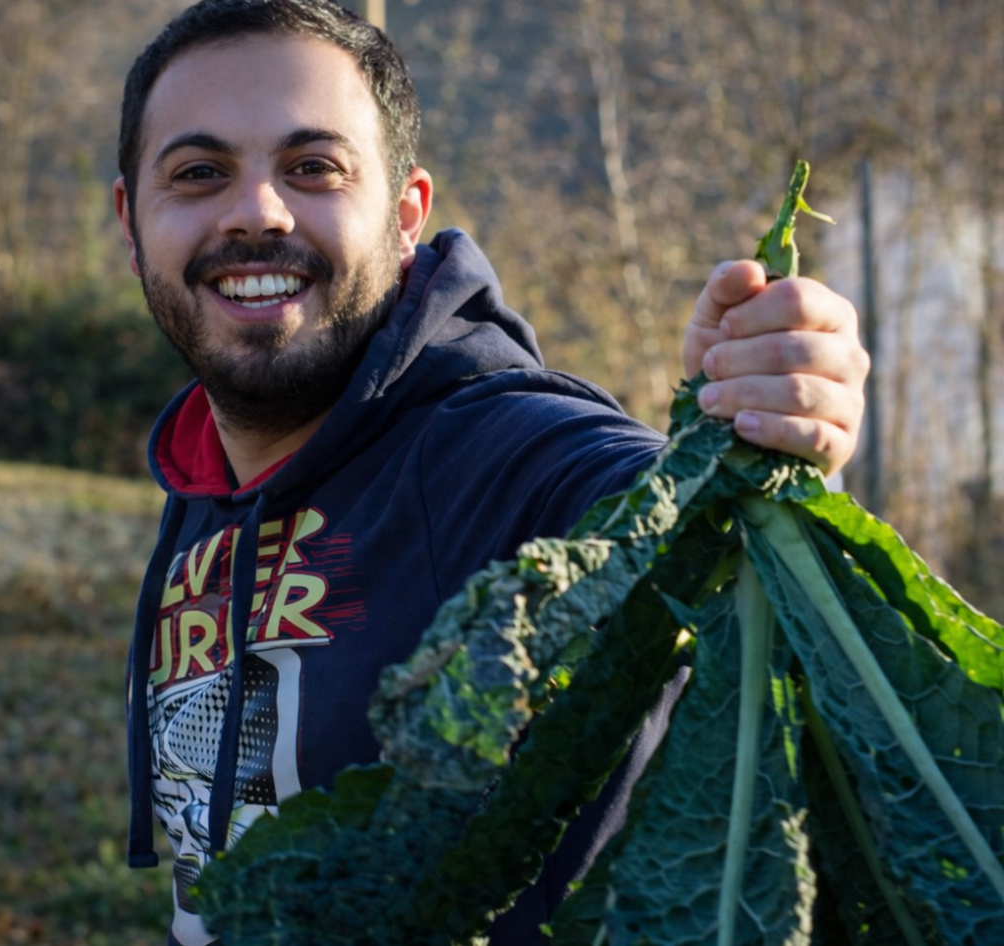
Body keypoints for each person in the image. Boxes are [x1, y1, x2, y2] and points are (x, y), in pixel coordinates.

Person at [112, 1, 869, 943]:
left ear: (405, 217)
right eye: (198, 173)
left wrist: (747, 438)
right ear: (132, 224)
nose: (256, 211)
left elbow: (680, 531)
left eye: (314, 168)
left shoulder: (516, 461)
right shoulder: (199, 487)